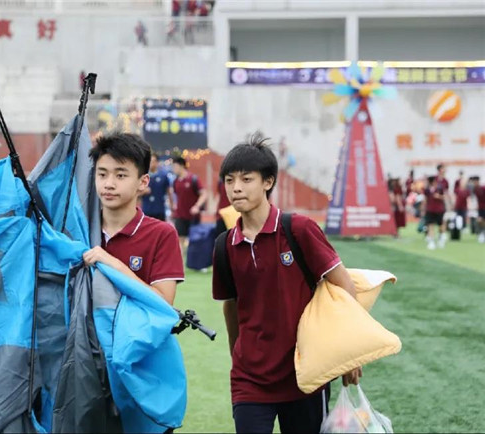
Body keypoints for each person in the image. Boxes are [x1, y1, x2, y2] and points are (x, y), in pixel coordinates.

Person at [212, 133, 361, 434]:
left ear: (268, 182)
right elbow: (231, 307)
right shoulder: (224, 245)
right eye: (229, 180)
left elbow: (345, 288)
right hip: (249, 380)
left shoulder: (299, 229)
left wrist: (350, 353)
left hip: (306, 373)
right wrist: (237, 358)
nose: (236, 188)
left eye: (246, 179)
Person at [82, 133, 184, 306]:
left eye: (120, 175)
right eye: (102, 174)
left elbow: (164, 303)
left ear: (143, 182)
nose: (109, 184)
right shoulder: (80, 228)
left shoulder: (162, 234)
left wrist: (113, 264)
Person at [170, 156, 208, 255]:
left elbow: (204, 194)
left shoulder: (193, 179)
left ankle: (196, 261)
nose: (174, 169)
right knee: (180, 240)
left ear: (182, 166)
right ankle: (180, 262)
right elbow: (177, 196)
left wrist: (197, 206)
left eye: (175, 166)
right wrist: (174, 206)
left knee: (195, 241)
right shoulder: (175, 181)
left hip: (193, 216)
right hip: (180, 215)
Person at [140, 154, 170, 221]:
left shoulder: (163, 176)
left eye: (153, 161)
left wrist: (171, 204)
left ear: (157, 162)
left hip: (159, 210)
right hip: (146, 210)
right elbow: (136, 193)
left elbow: (169, 191)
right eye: (150, 161)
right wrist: (143, 191)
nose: (151, 164)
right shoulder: (143, 177)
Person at [424, 173, 448, 250]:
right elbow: (425, 199)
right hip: (430, 210)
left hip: (439, 210)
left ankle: (441, 238)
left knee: (440, 225)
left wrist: (439, 196)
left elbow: (445, 196)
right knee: (430, 225)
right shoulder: (427, 189)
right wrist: (424, 208)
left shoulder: (440, 188)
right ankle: (431, 242)